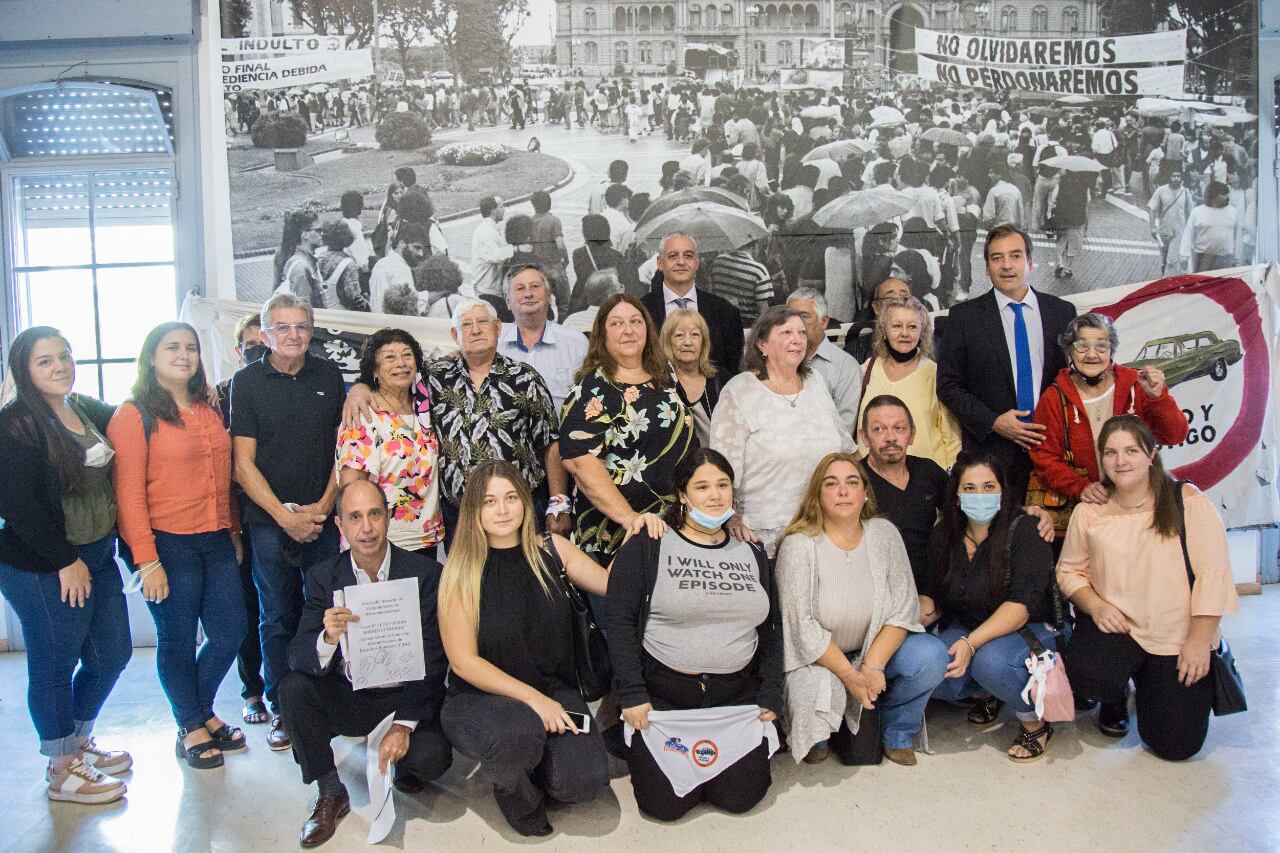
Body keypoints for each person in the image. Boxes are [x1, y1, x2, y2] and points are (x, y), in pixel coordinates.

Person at [438, 461, 617, 836]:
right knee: (516, 735)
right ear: (474, 510)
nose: (502, 510)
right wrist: (534, 701)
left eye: (510, 498)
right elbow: (463, 661)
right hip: (481, 699)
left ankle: (529, 760)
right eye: (489, 502)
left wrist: (639, 532)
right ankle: (514, 789)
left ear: (524, 501)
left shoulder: (553, 551)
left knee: (585, 782)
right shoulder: (461, 570)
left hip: (554, 690)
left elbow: (612, 585)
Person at [607, 448, 782, 820]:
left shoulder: (751, 551)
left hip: (733, 699)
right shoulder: (649, 545)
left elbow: (771, 628)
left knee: (740, 798)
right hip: (664, 700)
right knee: (665, 807)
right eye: (702, 487)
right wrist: (632, 695)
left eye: (723, 485)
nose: (715, 495)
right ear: (683, 495)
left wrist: (770, 692)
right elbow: (620, 624)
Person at [0, 327, 132, 804]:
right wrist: (64, 561)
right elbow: (19, 506)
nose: (60, 366)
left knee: (112, 654)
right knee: (55, 661)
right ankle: (61, 770)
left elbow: (129, 414)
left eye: (64, 356)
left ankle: (76, 741)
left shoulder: (80, 408)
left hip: (97, 554)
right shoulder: (15, 425)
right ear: (25, 370)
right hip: (43, 565)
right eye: (45, 361)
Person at [280, 479, 452, 847]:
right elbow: (297, 655)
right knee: (292, 689)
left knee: (431, 761)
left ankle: (401, 761)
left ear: (388, 517)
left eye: (375, 514)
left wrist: (405, 725)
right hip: (351, 693)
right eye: (355, 517)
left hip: (405, 697)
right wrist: (327, 638)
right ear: (340, 526)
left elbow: (437, 657)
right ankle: (330, 790)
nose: (367, 527)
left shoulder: (425, 575)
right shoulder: (323, 577)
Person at [1057, 416, 1238, 760]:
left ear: (1152, 454)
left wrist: (1199, 641)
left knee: (1175, 747)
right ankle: (1122, 684)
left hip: (1177, 636)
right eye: (1110, 453)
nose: (1120, 461)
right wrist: (1095, 605)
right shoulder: (1090, 511)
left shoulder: (1188, 503)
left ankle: (1152, 684)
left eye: (1131, 451)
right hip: (1119, 628)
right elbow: (1069, 572)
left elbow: (1213, 577)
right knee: (1087, 673)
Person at [109, 322, 248, 769]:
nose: (184, 355)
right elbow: (128, 496)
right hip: (167, 544)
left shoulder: (209, 410)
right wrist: (147, 562)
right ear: (151, 357)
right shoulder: (133, 415)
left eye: (191, 348)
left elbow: (221, 478)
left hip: (215, 538)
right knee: (177, 638)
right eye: (172, 347)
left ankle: (196, 710)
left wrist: (231, 530)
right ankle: (190, 724)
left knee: (230, 632)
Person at [776, 452, 948, 767]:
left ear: (864, 492)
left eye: (852, 482)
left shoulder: (884, 534)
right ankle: (830, 724)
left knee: (930, 655)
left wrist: (872, 666)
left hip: (871, 653)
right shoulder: (798, 545)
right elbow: (801, 627)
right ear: (817, 495)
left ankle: (896, 729)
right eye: (831, 483)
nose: (843, 490)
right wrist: (848, 675)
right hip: (819, 661)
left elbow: (903, 608)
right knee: (818, 721)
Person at [230, 293, 344, 751]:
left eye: (300, 326)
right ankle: (282, 707)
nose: (292, 335)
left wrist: (321, 507)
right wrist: (284, 516)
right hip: (267, 522)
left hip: (322, 519)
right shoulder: (247, 382)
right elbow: (242, 464)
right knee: (276, 615)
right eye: (282, 327)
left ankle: (319, 698)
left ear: (311, 330)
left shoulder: (330, 375)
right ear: (265, 332)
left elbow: (345, 449)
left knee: (322, 613)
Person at [922, 453, 1061, 762]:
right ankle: (991, 693)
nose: (980, 496)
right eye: (969, 488)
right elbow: (931, 597)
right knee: (929, 667)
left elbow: (1021, 607)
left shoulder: (1026, 528)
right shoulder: (944, 534)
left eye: (989, 486)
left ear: (1003, 490)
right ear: (956, 494)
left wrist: (970, 643)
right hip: (968, 623)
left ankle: (1035, 723)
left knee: (990, 662)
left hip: (1026, 630)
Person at [936, 225, 1077, 506]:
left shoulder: (1062, 312)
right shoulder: (964, 318)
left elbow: (1075, 378)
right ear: (987, 267)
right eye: (997, 258)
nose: (1007, 265)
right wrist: (994, 422)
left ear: (1030, 262)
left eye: (1015, 256)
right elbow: (949, 386)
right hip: (991, 456)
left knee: (1051, 541)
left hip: (1054, 451)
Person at [559, 294, 695, 561]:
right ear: (602, 334)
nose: (628, 330)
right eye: (617, 324)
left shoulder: (665, 376)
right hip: (617, 536)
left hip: (671, 531)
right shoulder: (593, 389)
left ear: (647, 328)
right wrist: (630, 518)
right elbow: (580, 463)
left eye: (635, 321)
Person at [711, 306, 855, 556]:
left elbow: (846, 451)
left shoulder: (816, 382)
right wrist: (729, 520)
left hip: (823, 530)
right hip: (764, 539)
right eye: (786, 332)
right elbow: (719, 472)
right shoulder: (739, 391)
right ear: (762, 345)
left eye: (801, 332)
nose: (797, 339)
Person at [429, 298, 569, 549]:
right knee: (470, 586)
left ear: (497, 328)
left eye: (482, 322)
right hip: (460, 516)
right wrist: (360, 389)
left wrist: (559, 502)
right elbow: (391, 388)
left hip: (520, 510)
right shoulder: (435, 378)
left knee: (524, 582)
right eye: (466, 324)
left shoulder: (525, 378)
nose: (475, 330)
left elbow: (550, 443)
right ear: (454, 334)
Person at [1029, 312, 1188, 521]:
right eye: (1082, 346)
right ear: (1070, 351)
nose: (1092, 354)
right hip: (1090, 510)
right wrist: (1079, 487)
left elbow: (1176, 435)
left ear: (1111, 351)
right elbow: (1044, 457)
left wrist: (1158, 398)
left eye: (1101, 346)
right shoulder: (1054, 398)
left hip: (1142, 504)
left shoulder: (1136, 384)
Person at [336, 328, 444, 552]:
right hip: (378, 542)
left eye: (407, 355)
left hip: (425, 538)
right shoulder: (363, 415)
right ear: (374, 371)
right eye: (390, 357)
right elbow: (350, 485)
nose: (401, 363)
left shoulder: (425, 409)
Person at [218, 315, 269, 724]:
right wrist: (233, 527)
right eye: (251, 347)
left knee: (286, 609)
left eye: (263, 344)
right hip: (241, 521)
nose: (259, 353)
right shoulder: (219, 397)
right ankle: (252, 691)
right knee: (247, 609)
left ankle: (286, 693)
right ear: (239, 352)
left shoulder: (298, 387)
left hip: (288, 519)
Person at [859, 296, 961, 470]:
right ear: (884, 330)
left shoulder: (937, 375)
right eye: (897, 326)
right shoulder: (865, 371)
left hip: (925, 482)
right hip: (872, 480)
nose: (904, 333)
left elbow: (952, 438)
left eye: (912, 327)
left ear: (923, 332)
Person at [641, 233, 745, 376]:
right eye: (673, 256)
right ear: (659, 263)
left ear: (697, 262)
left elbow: (732, 369)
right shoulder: (641, 311)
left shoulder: (725, 312)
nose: (681, 262)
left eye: (688, 256)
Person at [497, 263, 589, 411]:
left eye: (535, 286)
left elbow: (590, 402)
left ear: (549, 297)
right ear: (508, 302)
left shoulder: (576, 343)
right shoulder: (493, 343)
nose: (528, 294)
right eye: (520, 288)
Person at [787, 288, 862, 438]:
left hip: (826, 457)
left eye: (804, 317)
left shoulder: (845, 367)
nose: (795, 324)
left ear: (824, 321)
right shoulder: (777, 360)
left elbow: (843, 432)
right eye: (790, 317)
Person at [660, 308, 731, 448]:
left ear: (703, 342)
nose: (687, 342)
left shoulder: (723, 380)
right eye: (679, 335)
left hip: (718, 464)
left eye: (694, 334)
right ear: (668, 342)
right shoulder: (658, 384)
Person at [571, 214, 641, 308]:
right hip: (609, 301)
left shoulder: (578, 254)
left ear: (586, 233)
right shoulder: (616, 255)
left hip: (584, 301)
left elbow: (582, 276)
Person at [843, 276, 910, 363]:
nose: (899, 302)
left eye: (904, 297)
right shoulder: (854, 352)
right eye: (891, 298)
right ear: (876, 307)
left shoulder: (928, 347)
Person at [368, 222, 429, 315]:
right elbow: (410, 305)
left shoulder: (381, 263)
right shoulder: (400, 268)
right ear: (402, 243)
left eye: (422, 249)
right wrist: (433, 295)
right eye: (416, 248)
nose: (421, 254)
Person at [708, 242, 774, 327]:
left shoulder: (717, 262)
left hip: (719, 325)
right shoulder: (759, 271)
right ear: (754, 246)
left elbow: (711, 293)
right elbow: (764, 312)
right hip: (747, 330)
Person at [470, 195, 516, 320]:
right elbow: (495, 255)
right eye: (501, 206)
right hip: (487, 291)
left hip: (493, 289)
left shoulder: (491, 228)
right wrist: (516, 249)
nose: (504, 210)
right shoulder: (486, 232)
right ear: (493, 210)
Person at [529, 190, 572, 319]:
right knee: (564, 305)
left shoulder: (530, 222)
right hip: (555, 267)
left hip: (540, 270)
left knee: (543, 307)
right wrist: (566, 258)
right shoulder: (554, 221)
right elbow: (559, 243)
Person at [1180, 181, 1238, 272]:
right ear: (1214, 196)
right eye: (1224, 194)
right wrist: (1184, 255)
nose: (1228, 197)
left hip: (1226, 258)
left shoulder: (1233, 212)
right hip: (1203, 257)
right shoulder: (1197, 212)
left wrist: (1237, 256)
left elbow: (1237, 235)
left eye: (1228, 194)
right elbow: (1188, 233)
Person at [275, 210, 327, 307]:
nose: (322, 234)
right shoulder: (301, 267)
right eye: (318, 230)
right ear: (305, 234)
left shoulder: (302, 260)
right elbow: (304, 311)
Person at [318, 220, 368, 312]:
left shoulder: (318, 258)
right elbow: (354, 298)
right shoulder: (347, 263)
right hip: (341, 315)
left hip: (322, 313)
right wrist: (368, 306)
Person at [1148, 170, 1191, 277]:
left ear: (1182, 178)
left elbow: (1190, 212)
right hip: (1164, 230)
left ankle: (1168, 281)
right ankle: (1164, 273)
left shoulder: (1185, 192)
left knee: (1172, 259)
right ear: (1169, 177)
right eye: (1173, 176)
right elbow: (1152, 209)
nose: (1176, 178)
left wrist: (1189, 231)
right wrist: (1153, 227)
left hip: (1179, 231)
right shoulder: (1161, 190)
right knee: (1164, 257)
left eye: (1178, 176)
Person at [564, 269, 624, 333]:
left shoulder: (570, 321)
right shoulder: (618, 324)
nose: (623, 290)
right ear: (610, 297)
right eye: (620, 287)